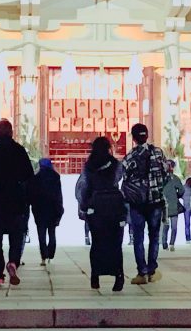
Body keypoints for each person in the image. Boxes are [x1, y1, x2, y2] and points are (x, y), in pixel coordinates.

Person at [0, 119, 34, 288]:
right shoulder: (19, 151)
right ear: (11, 132)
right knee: (16, 236)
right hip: (16, 200)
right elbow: (29, 174)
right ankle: (13, 263)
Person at [121, 123, 169, 285]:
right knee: (154, 237)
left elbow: (124, 178)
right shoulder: (158, 153)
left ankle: (141, 272)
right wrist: (157, 186)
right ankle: (152, 271)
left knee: (138, 238)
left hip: (137, 204)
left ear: (133, 138)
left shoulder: (130, 157)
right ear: (147, 136)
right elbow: (167, 174)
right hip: (155, 202)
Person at [79, 136, 126, 291]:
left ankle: (95, 275)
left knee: (97, 242)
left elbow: (85, 187)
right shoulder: (115, 164)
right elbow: (118, 180)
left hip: (96, 208)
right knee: (115, 243)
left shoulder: (89, 166)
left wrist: (84, 206)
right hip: (114, 206)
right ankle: (118, 276)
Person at [28, 158, 63, 266]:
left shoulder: (35, 178)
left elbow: (31, 195)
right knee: (52, 232)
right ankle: (51, 253)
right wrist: (60, 209)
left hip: (39, 209)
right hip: (53, 208)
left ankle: (44, 255)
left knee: (41, 233)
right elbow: (59, 195)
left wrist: (32, 205)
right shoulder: (56, 177)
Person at [160, 160, 185, 251]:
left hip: (164, 205)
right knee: (174, 227)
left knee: (165, 226)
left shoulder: (161, 178)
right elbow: (182, 190)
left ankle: (164, 243)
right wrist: (176, 195)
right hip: (174, 205)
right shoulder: (175, 178)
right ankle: (172, 244)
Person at [182, 176, 191, 245]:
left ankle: (187, 239)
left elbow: (181, 195)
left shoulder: (184, 187)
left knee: (187, 224)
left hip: (186, 207)